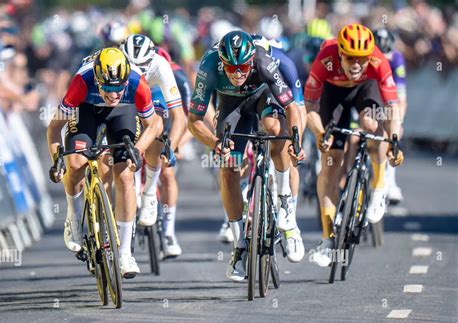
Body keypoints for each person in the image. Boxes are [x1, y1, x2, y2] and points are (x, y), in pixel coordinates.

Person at [187, 30, 305, 282]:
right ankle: (239, 246)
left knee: (276, 131)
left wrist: (295, 139)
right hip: (231, 104)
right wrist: (215, 143)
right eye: (231, 68)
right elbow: (194, 121)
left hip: (264, 96)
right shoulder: (209, 65)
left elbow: (292, 107)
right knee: (228, 165)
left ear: (251, 60)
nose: (237, 73)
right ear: (221, 62)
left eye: (242, 67)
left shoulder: (263, 61)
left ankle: (285, 203)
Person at [47, 48, 162, 278]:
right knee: (76, 163)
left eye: (118, 88)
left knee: (125, 175)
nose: (113, 94)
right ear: (97, 80)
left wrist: (138, 150)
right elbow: (54, 129)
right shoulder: (81, 82)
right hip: (86, 110)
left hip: (122, 113)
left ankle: (125, 254)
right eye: (107, 88)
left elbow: (155, 125)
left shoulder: (136, 83)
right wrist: (57, 160)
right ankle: (73, 217)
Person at [303, 24, 404, 267]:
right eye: (351, 58)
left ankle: (379, 187)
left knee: (371, 124)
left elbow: (393, 109)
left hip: (365, 90)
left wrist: (394, 141)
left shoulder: (379, 62)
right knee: (331, 162)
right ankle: (328, 239)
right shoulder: (325, 57)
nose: (357, 64)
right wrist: (319, 133)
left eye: (362, 59)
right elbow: (310, 107)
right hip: (332, 95)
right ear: (340, 54)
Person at [121, 34, 187, 258]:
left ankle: (166, 229)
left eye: (143, 66)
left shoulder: (162, 66)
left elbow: (181, 117)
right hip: (128, 96)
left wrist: (173, 146)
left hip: (155, 95)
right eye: (133, 66)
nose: (138, 71)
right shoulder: (118, 64)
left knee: (159, 142)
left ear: (153, 58)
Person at [373, 27, 407, 205]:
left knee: (392, 132)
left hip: (388, 96)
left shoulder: (397, 60)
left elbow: (401, 98)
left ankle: (390, 180)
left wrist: (398, 122)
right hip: (368, 94)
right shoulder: (364, 59)